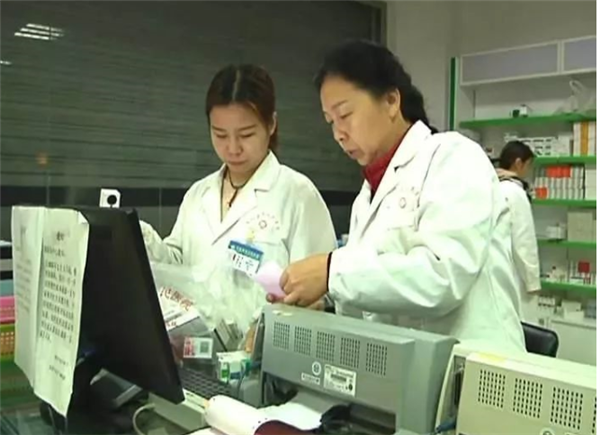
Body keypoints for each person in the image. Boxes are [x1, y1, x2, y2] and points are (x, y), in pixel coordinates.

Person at [274, 40, 525, 352]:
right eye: (330, 122)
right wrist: (326, 301)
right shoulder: (367, 196)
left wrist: (331, 272)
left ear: (391, 101)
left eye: (345, 114)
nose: (338, 133)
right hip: (410, 368)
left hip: (478, 366)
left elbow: (442, 276)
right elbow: (376, 294)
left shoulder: (452, 156)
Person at [142, 64, 337, 337]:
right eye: (220, 134)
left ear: (271, 124)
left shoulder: (297, 194)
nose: (232, 148)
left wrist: (287, 316)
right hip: (198, 350)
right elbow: (180, 270)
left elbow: (321, 290)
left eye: (246, 135)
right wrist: (144, 240)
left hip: (267, 354)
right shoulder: (198, 195)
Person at [496, 141, 541, 315]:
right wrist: (533, 281)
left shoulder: (492, 186)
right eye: (528, 166)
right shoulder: (515, 193)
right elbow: (524, 241)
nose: (528, 171)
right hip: (514, 275)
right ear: (518, 163)